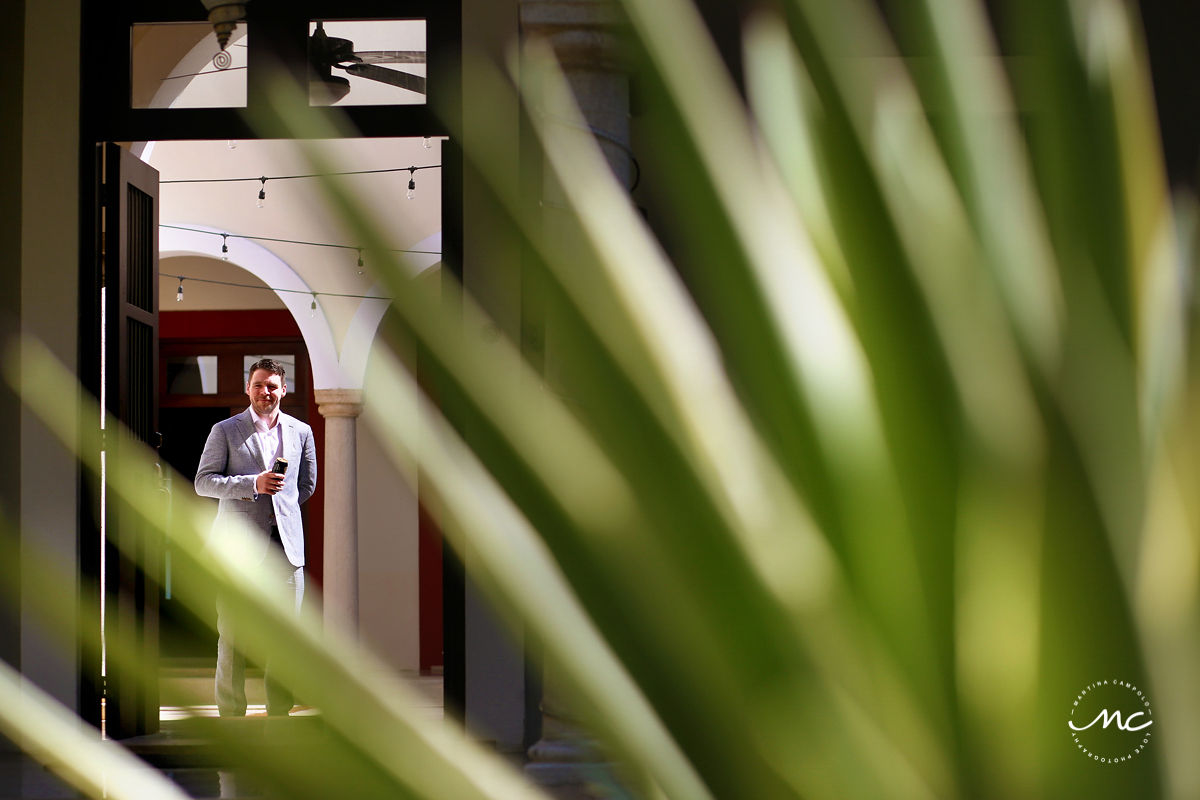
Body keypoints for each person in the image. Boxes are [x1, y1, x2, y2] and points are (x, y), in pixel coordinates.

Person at [195, 357, 317, 717]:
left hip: (286, 549)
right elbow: (204, 482)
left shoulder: (301, 432)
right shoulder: (225, 430)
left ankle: (279, 712)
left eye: (272, 386)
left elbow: (304, 486)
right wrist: (253, 485)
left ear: (284, 390)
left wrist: (278, 512)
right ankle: (231, 714)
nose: (266, 391)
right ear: (248, 388)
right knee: (233, 636)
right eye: (259, 384)